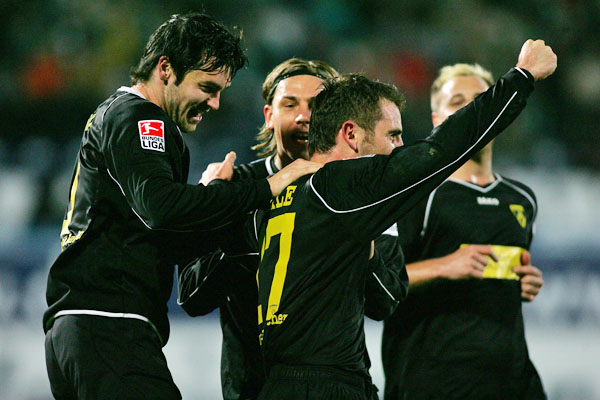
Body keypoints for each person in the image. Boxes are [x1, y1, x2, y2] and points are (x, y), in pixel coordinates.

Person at [252, 40, 556, 400]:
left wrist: (366, 247)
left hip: (291, 378)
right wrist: (522, 76)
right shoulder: (341, 186)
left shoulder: (288, 191)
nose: (399, 149)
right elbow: (439, 151)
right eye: (393, 136)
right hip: (322, 384)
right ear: (351, 134)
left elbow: (383, 300)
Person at [43, 13, 319, 400]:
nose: (215, 103)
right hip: (110, 325)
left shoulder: (122, 116)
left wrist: (216, 203)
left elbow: (165, 234)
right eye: (207, 87)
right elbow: (162, 208)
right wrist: (265, 188)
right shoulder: (140, 117)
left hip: (85, 328)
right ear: (166, 68)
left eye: (220, 91)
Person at [177, 58, 407, 400]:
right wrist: (228, 217)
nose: (304, 116)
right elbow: (191, 296)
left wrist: (363, 238)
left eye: (315, 105)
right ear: (269, 116)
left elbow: (385, 300)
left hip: (337, 386)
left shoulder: (361, 196)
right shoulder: (236, 187)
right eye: (290, 104)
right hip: (252, 389)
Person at [381, 63, 546, 399]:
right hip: (433, 381)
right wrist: (446, 266)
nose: (474, 110)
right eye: (458, 102)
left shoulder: (522, 198)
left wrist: (525, 282)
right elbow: (377, 282)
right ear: (437, 120)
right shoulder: (415, 194)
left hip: (511, 379)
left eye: (482, 100)